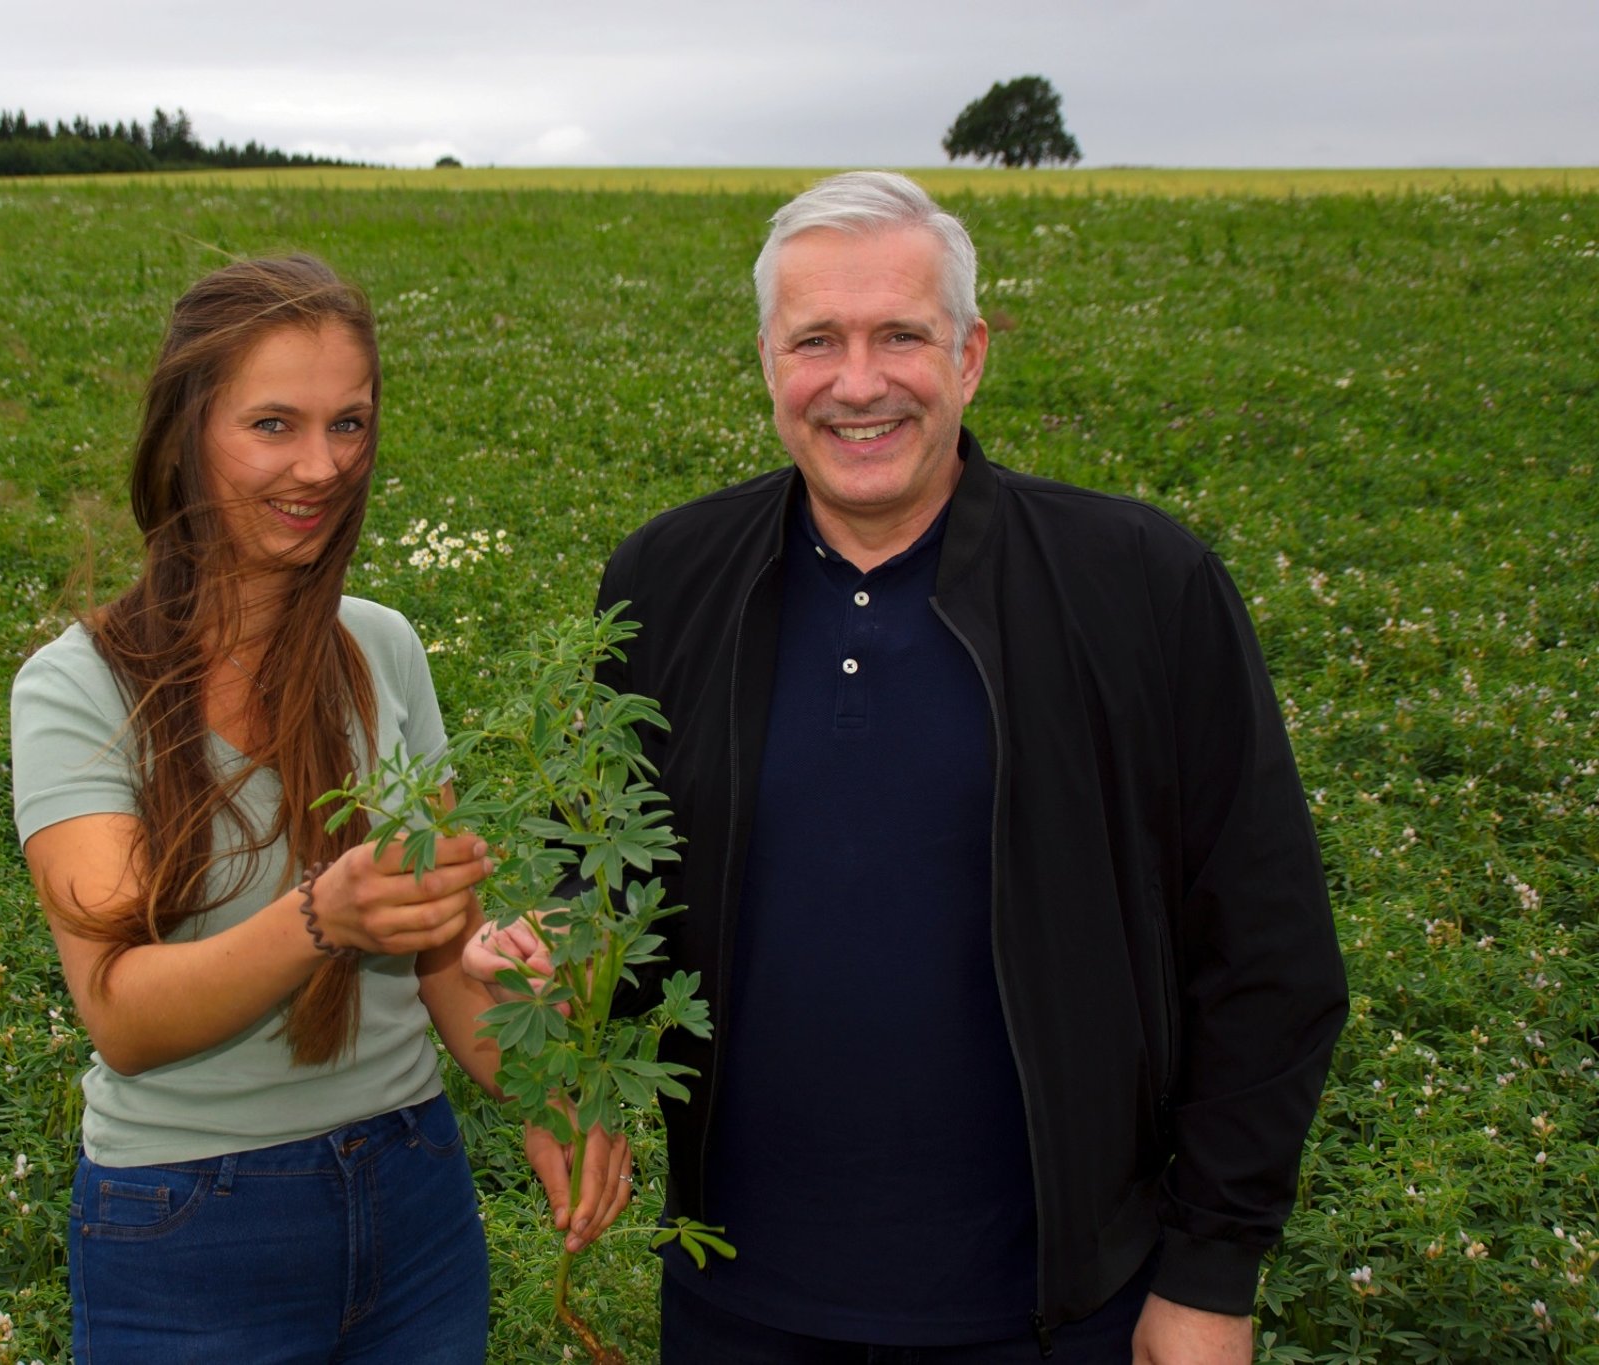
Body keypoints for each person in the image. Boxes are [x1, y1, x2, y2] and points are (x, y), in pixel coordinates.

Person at [468, 173, 1348, 1363]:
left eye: (901, 336)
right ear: (767, 360)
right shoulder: (663, 580)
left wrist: (1210, 1273)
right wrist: (541, 963)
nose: (858, 382)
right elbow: (596, 884)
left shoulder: (1138, 583)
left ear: (971, 355)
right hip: (738, 1299)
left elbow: (1266, 949)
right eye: (815, 340)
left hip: (1058, 1310)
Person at [10, 254, 631, 1362]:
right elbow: (123, 1012)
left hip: (412, 1192)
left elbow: (441, 947)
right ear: (185, 433)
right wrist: (318, 918)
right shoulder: (80, 688)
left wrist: (545, 1084)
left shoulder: (378, 646)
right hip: (186, 1226)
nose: (320, 465)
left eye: (348, 424)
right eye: (272, 425)